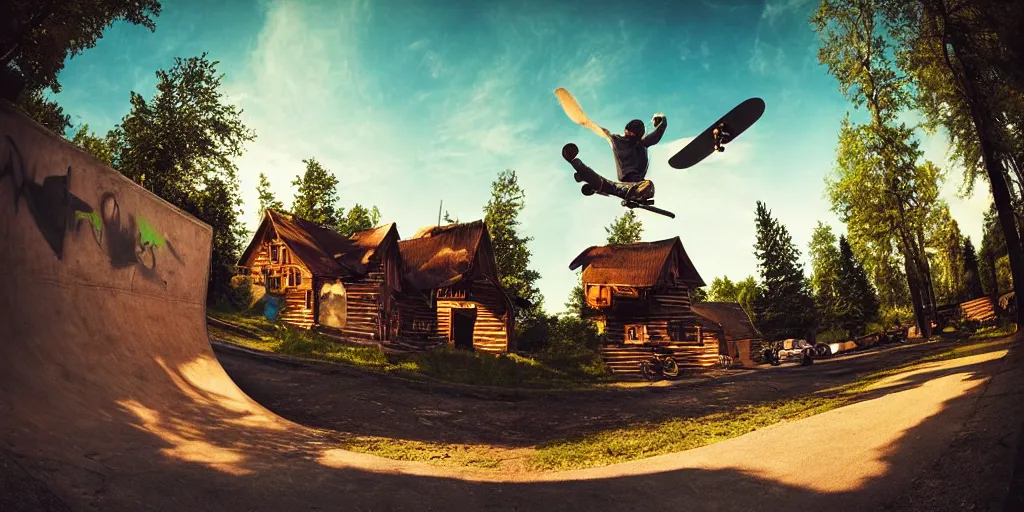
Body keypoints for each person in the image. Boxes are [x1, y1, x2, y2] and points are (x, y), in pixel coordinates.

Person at [562, 113, 667, 202]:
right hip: (630, 184)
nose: (629, 135)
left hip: (633, 184)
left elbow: (656, 135)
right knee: (644, 186)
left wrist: (587, 123)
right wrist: (662, 121)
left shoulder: (635, 142)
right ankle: (579, 167)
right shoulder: (620, 140)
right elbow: (656, 135)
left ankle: (584, 175)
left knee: (610, 186)